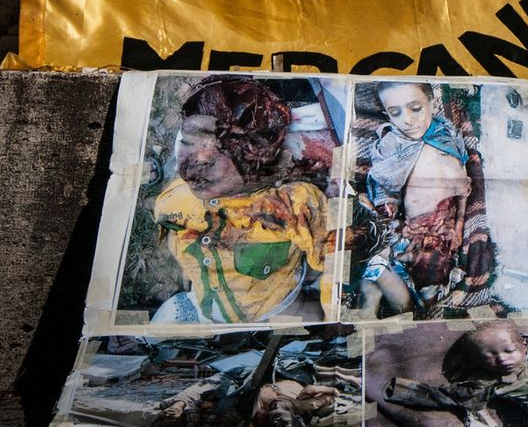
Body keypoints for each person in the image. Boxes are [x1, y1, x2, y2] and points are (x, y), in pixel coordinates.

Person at [150, 77, 329, 324]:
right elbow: (173, 228)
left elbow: (329, 253)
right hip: (208, 306)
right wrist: (190, 265)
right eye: (190, 144)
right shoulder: (177, 198)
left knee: (311, 320)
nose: (198, 162)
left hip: (275, 306)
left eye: (216, 155)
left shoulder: (291, 203)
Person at [355, 82, 497, 318]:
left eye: (415, 108)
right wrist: (388, 215)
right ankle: (390, 306)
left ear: (432, 104)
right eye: (395, 112)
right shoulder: (393, 143)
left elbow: (463, 189)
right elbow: (383, 183)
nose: (408, 120)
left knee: (430, 281)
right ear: (386, 114)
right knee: (377, 267)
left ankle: (415, 307)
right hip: (412, 230)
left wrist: (460, 226)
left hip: (445, 232)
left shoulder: (447, 134)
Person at [384, 321, 528, 427]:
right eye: (489, 356)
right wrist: (401, 390)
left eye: (509, 350)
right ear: (477, 361)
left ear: (524, 345)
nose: (502, 359)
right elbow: (446, 396)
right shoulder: (487, 383)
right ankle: (475, 411)